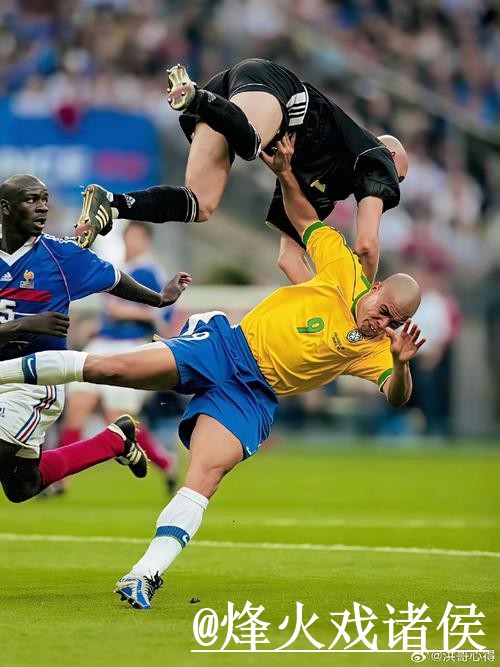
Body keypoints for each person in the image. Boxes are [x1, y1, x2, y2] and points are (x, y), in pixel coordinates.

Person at [0, 140, 423, 609]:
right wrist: (285, 173)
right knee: (111, 368)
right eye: (384, 310)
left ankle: (144, 574)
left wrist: (401, 363)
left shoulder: (378, 348)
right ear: (376, 287)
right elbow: (305, 220)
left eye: (394, 321)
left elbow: (396, 395)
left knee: (205, 474)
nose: (383, 323)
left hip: (253, 396)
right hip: (224, 347)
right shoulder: (343, 269)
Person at [74, 58, 408, 282]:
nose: (392, 189)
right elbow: (366, 245)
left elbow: (289, 260)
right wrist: (361, 299)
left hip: (233, 107)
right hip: (276, 89)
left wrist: (327, 304)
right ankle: (196, 99)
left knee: (199, 204)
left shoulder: (318, 191)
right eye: (398, 178)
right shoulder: (377, 157)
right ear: (391, 157)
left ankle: (112, 204)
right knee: (252, 145)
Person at [0, 173, 191, 504]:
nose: (42, 207)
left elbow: (113, 279)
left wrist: (159, 300)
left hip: (32, 382)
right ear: (5, 208)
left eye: (45, 200)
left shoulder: (61, 256)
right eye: (32, 200)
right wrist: (26, 325)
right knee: (22, 486)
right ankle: (114, 440)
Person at [59, 221, 177, 495]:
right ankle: (60, 478)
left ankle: (165, 462)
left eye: (137, 237)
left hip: (129, 348)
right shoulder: (117, 268)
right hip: (102, 344)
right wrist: (97, 325)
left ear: (146, 241)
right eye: (128, 236)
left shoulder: (151, 271)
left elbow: (165, 315)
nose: (131, 242)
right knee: (77, 408)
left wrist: (129, 314)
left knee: (119, 419)